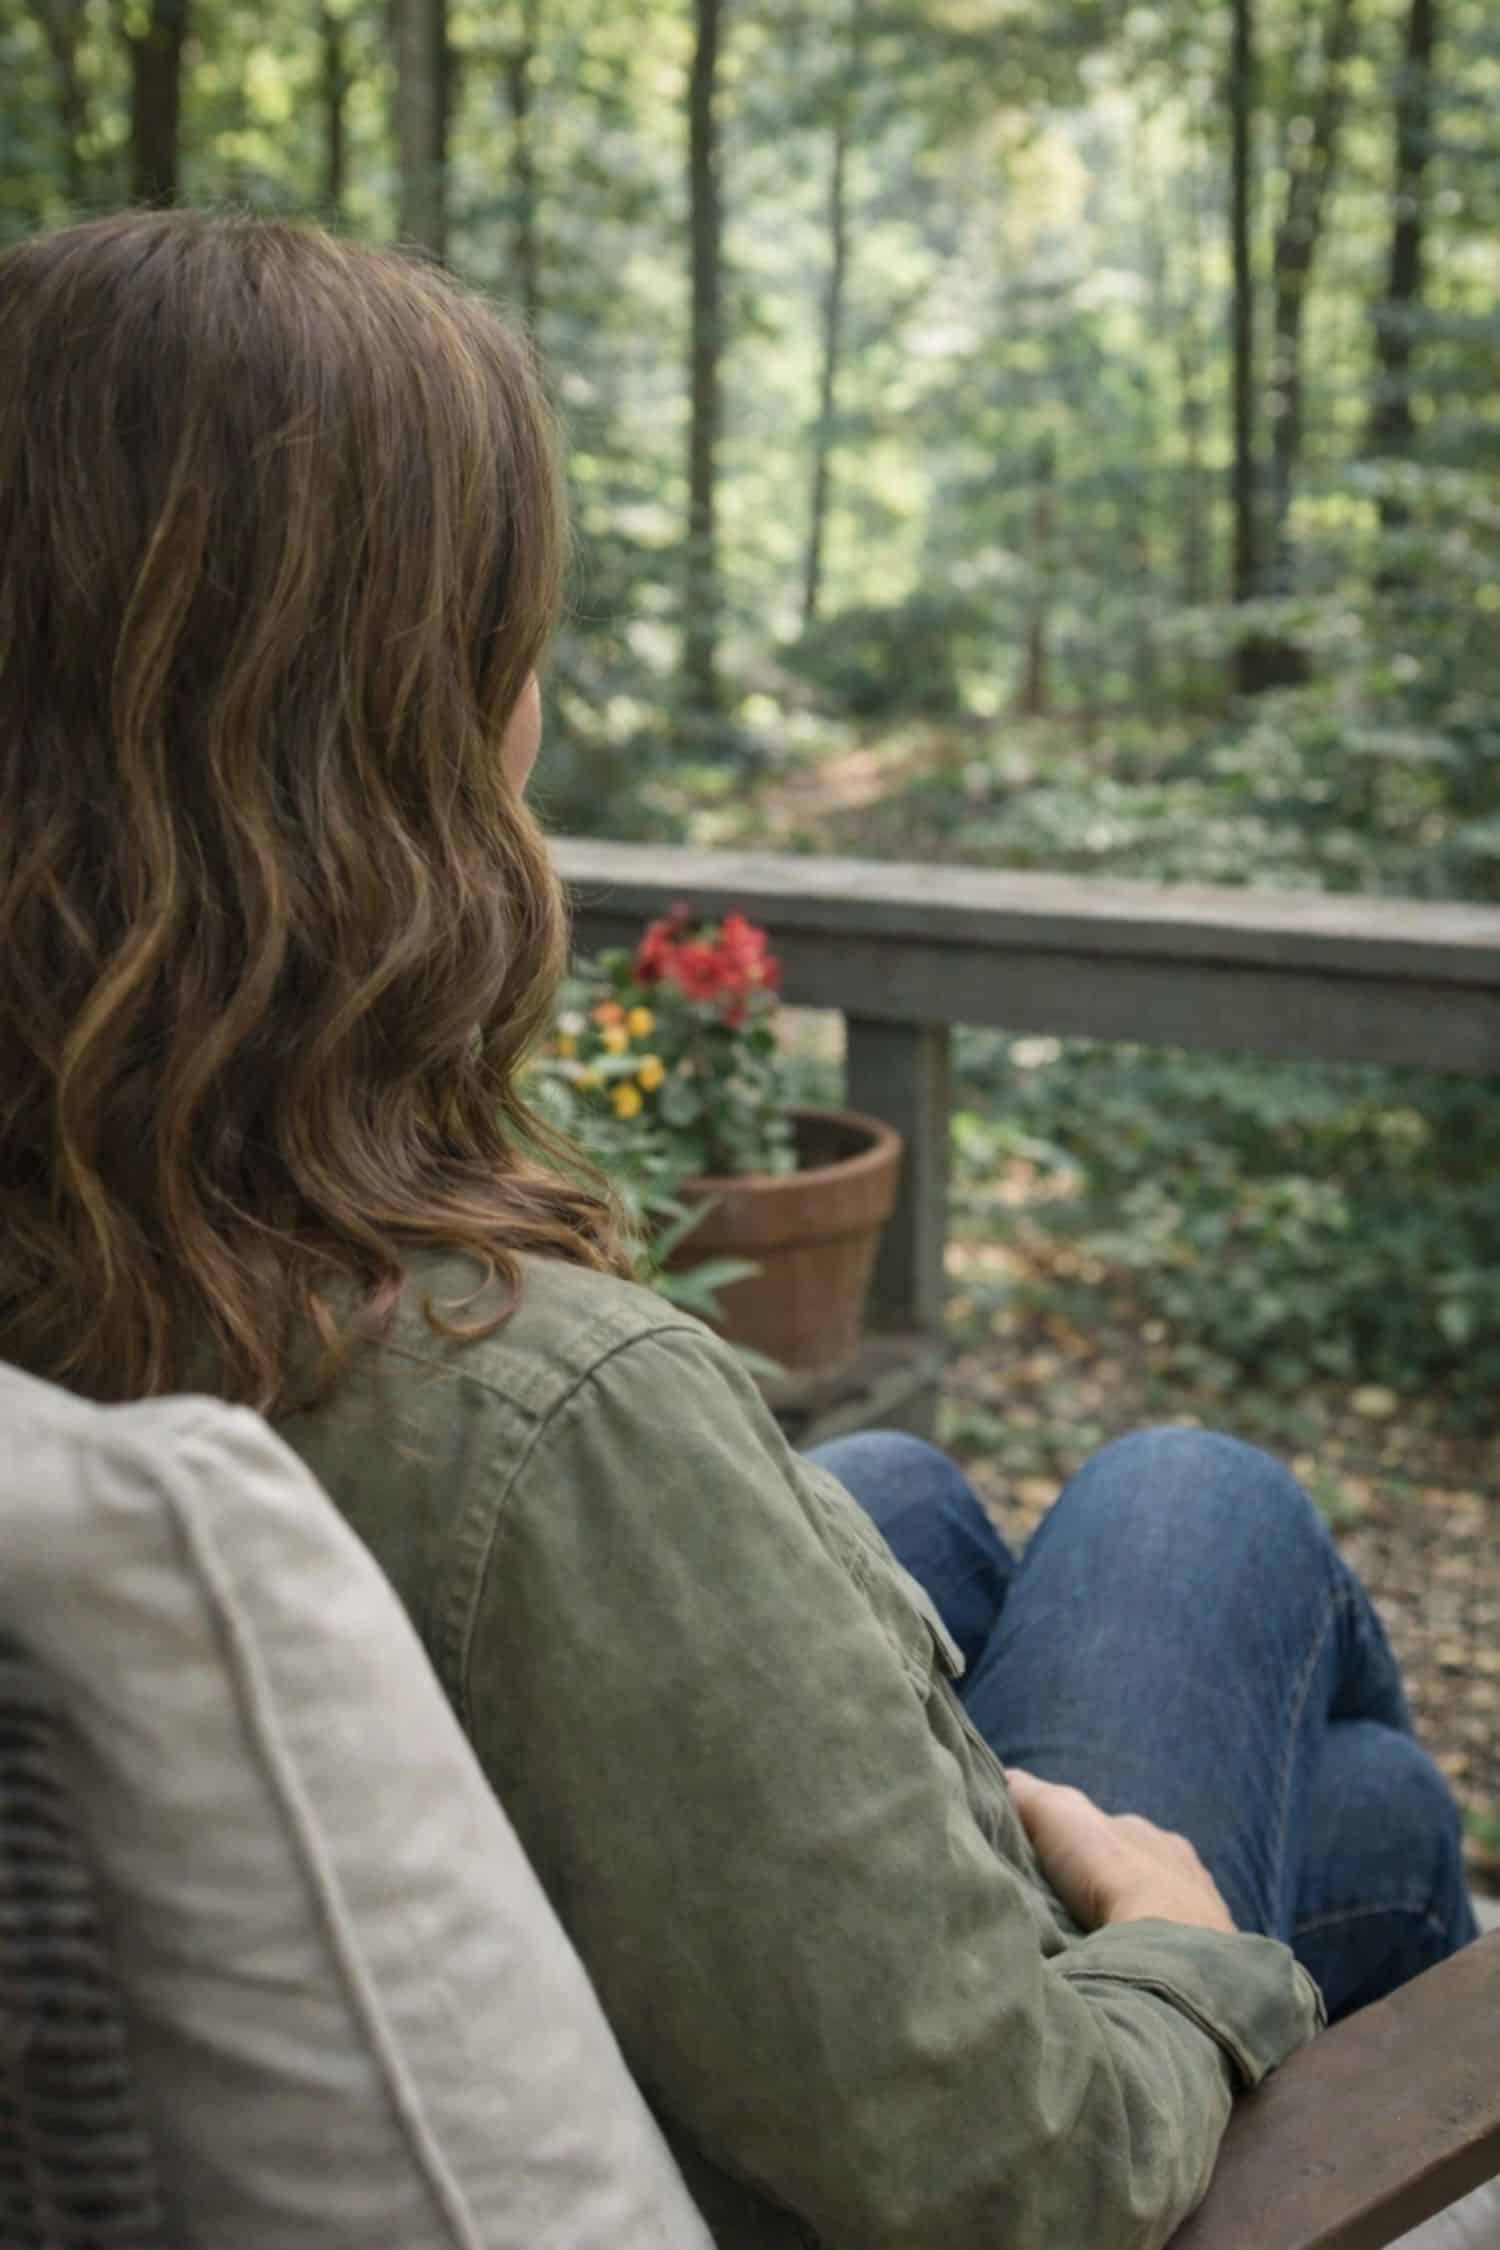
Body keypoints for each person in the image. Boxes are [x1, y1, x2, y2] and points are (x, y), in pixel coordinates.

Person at [0, 211, 1475, 2250]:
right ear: (407, 719)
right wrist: (1160, 1930)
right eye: (510, 640)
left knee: (919, 1500)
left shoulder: (98, 1258)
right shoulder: (544, 1415)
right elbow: (1013, 2171)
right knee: (1205, 1514)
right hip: (908, 2162)